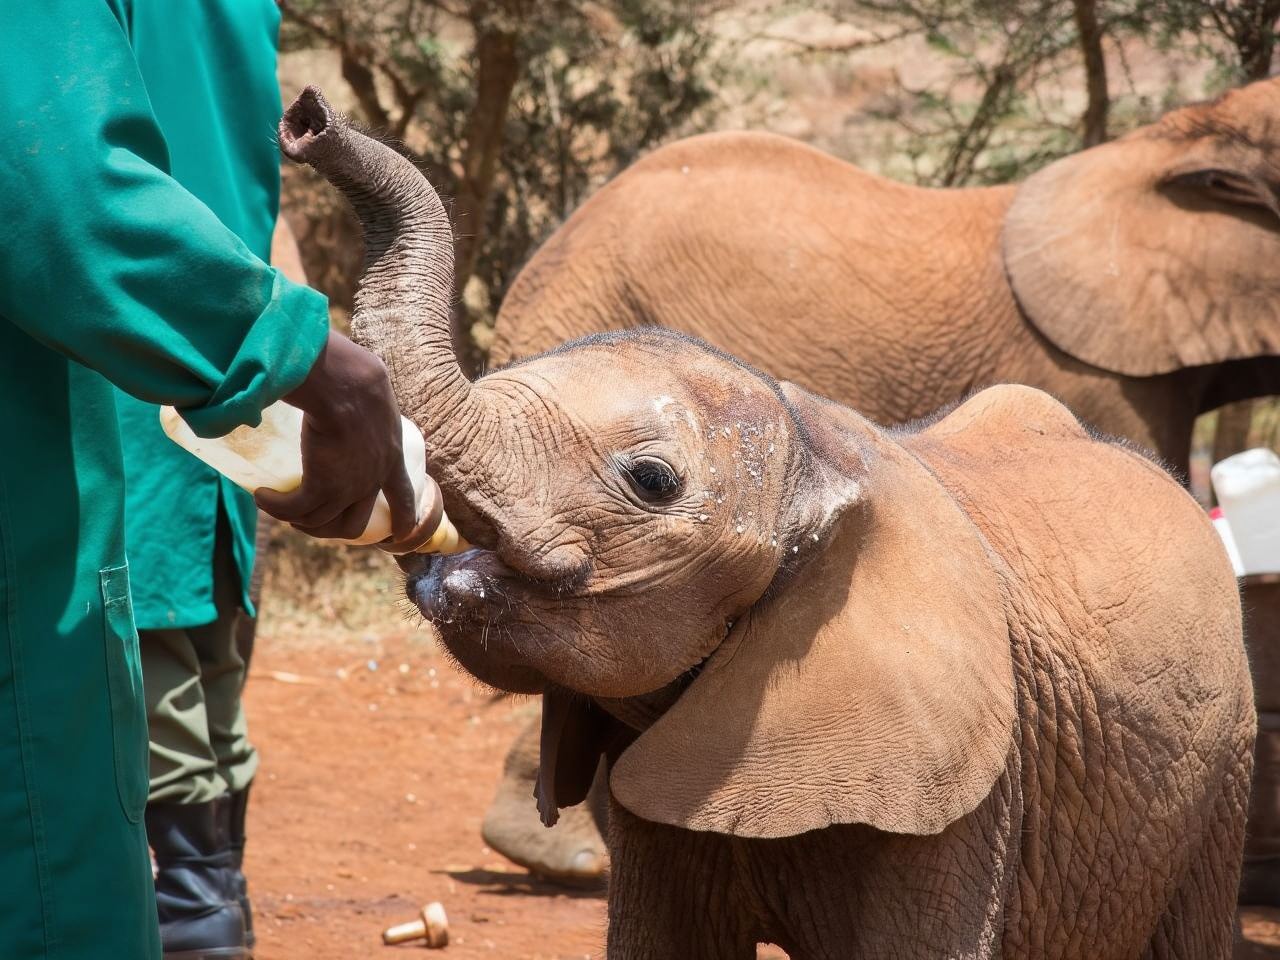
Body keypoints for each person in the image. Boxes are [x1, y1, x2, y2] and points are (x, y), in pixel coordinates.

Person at [0, 3, 434, 958]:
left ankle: (203, 901)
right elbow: (62, 193)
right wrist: (299, 351)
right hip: (126, 397)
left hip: (165, 390)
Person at [113, 5, 310, 956]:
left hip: (115, 372)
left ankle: (193, 911)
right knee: (208, 656)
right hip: (227, 372)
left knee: (145, 651)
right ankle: (210, 905)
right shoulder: (239, 12)